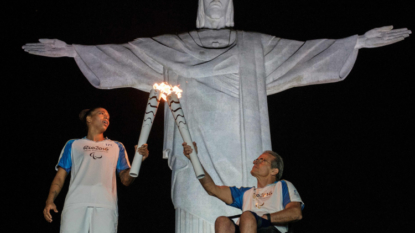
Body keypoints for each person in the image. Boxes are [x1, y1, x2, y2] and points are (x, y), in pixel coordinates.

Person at [23, 1, 410, 231]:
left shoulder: (254, 46)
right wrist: (76, 51)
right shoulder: (175, 47)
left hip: (244, 149)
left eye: (221, 0)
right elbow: (127, 56)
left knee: (241, 214)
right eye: (207, 1)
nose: (214, 6)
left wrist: (355, 42)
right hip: (194, 151)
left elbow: (305, 54)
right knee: (196, 208)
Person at [42, 107, 149, 233]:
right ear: (89, 119)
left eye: (108, 117)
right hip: (75, 204)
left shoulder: (117, 146)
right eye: (102, 113)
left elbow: (126, 180)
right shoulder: (73, 144)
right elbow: (60, 177)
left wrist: (138, 161)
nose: (106, 118)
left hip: (105, 206)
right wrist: (50, 201)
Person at [183, 142, 303, 233]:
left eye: (262, 160)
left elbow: (296, 213)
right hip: (248, 227)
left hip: (271, 229)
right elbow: (212, 189)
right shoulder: (246, 193)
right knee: (222, 221)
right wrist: (194, 159)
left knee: (247, 216)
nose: (255, 162)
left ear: (274, 171)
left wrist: (263, 217)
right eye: (256, 159)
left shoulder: (282, 185)